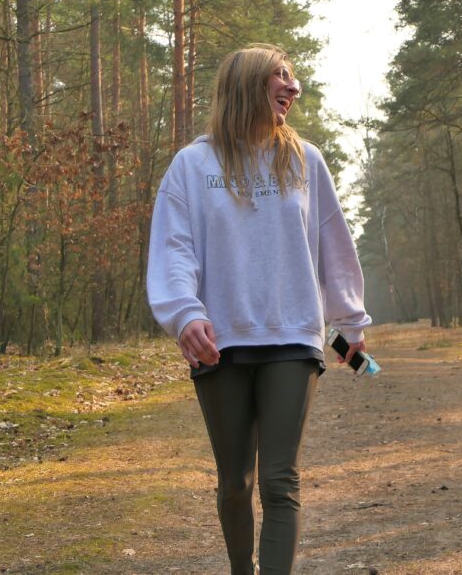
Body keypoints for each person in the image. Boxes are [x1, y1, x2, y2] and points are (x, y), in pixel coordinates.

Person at [146, 44, 372, 574]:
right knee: (234, 483)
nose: (293, 87)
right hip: (219, 341)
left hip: (292, 338)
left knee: (278, 479)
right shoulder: (191, 165)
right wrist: (185, 313)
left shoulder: (304, 160)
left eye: (293, 78)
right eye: (282, 76)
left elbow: (332, 245)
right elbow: (174, 248)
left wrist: (349, 323)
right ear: (248, 84)